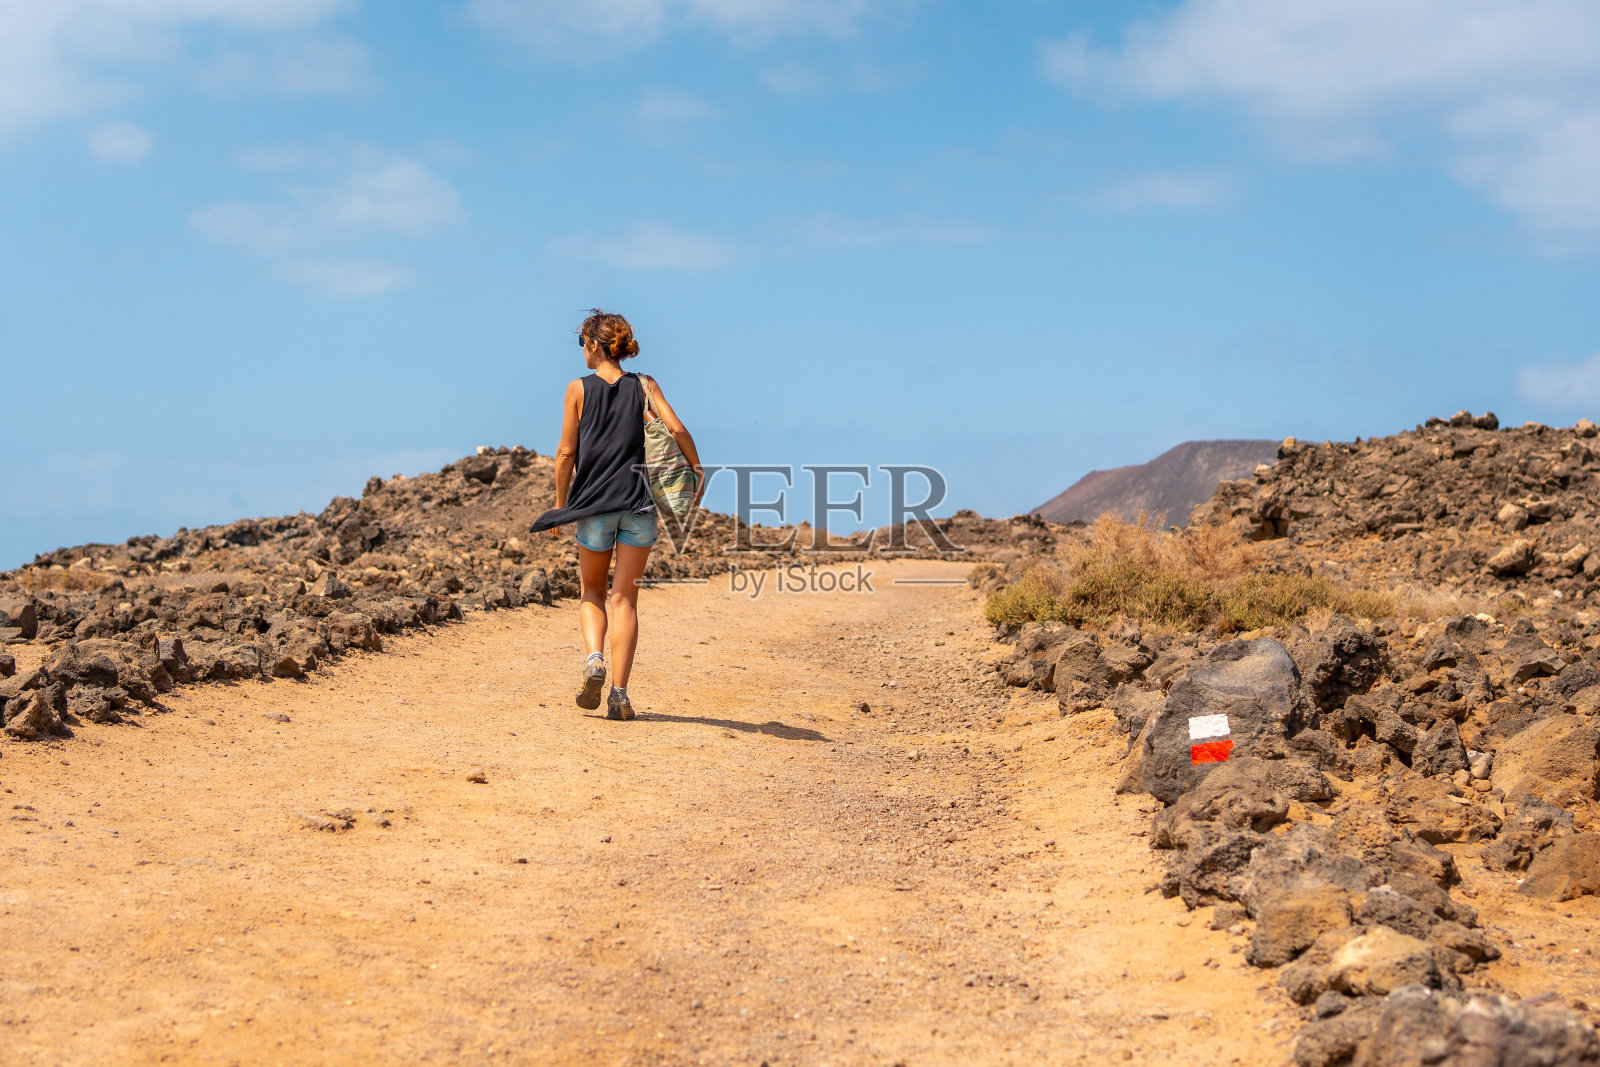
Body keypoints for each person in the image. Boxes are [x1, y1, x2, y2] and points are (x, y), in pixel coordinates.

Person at [529, 310, 704, 720]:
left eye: (582, 344)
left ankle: (594, 660)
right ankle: (620, 695)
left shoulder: (578, 389)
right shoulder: (645, 385)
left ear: (593, 344)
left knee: (591, 592)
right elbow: (677, 430)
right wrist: (696, 470)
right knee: (625, 599)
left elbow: (566, 454)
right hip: (639, 505)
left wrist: (561, 507)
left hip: (594, 507)